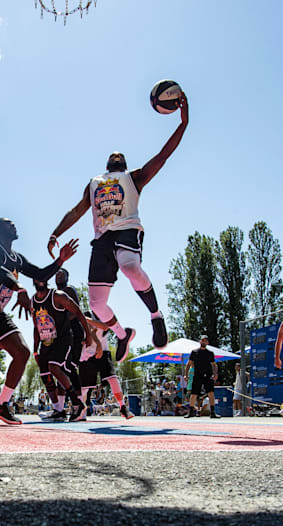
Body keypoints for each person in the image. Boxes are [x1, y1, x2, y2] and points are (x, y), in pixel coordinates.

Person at [47, 91, 189, 362]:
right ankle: (123, 335)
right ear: (106, 164)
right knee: (97, 304)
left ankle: (156, 316)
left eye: (119, 155)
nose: (115, 155)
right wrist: (56, 232)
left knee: (130, 267)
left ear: (123, 163)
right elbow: (78, 210)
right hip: (101, 240)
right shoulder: (94, 183)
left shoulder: (134, 178)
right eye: (112, 155)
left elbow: (163, 155)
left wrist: (182, 124)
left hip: (126, 230)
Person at [0, 217, 79, 427]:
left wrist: (60, 261)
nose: (13, 224)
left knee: (22, 352)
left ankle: (1, 404)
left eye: (13, 222)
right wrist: (19, 288)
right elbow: (0, 271)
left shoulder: (17, 258)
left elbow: (40, 274)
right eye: (8, 223)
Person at [32, 276, 102, 422]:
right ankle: (59, 409)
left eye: (61, 275)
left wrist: (88, 335)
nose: (58, 276)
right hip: (48, 339)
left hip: (67, 337)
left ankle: (78, 403)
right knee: (47, 373)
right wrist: (35, 348)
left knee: (60, 368)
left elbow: (77, 312)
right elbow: (37, 324)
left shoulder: (61, 294)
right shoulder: (34, 301)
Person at [77, 311, 134, 420]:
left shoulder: (105, 316)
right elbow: (91, 332)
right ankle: (81, 411)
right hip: (87, 355)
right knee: (84, 388)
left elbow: (103, 327)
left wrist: (83, 318)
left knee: (112, 378)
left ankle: (122, 406)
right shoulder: (87, 315)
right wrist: (82, 318)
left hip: (103, 352)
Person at [184, 335, 220, 419]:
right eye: (202, 340)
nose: (203, 342)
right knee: (194, 393)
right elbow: (188, 364)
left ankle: (213, 412)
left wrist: (215, 374)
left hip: (208, 375)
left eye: (205, 341)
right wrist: (186, 374)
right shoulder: (194, 352)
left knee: (211, 393)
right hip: (197, 375)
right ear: (200, 341)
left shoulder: (210, 353)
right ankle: (191, 412)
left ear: (207, 343)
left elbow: (214, 365)